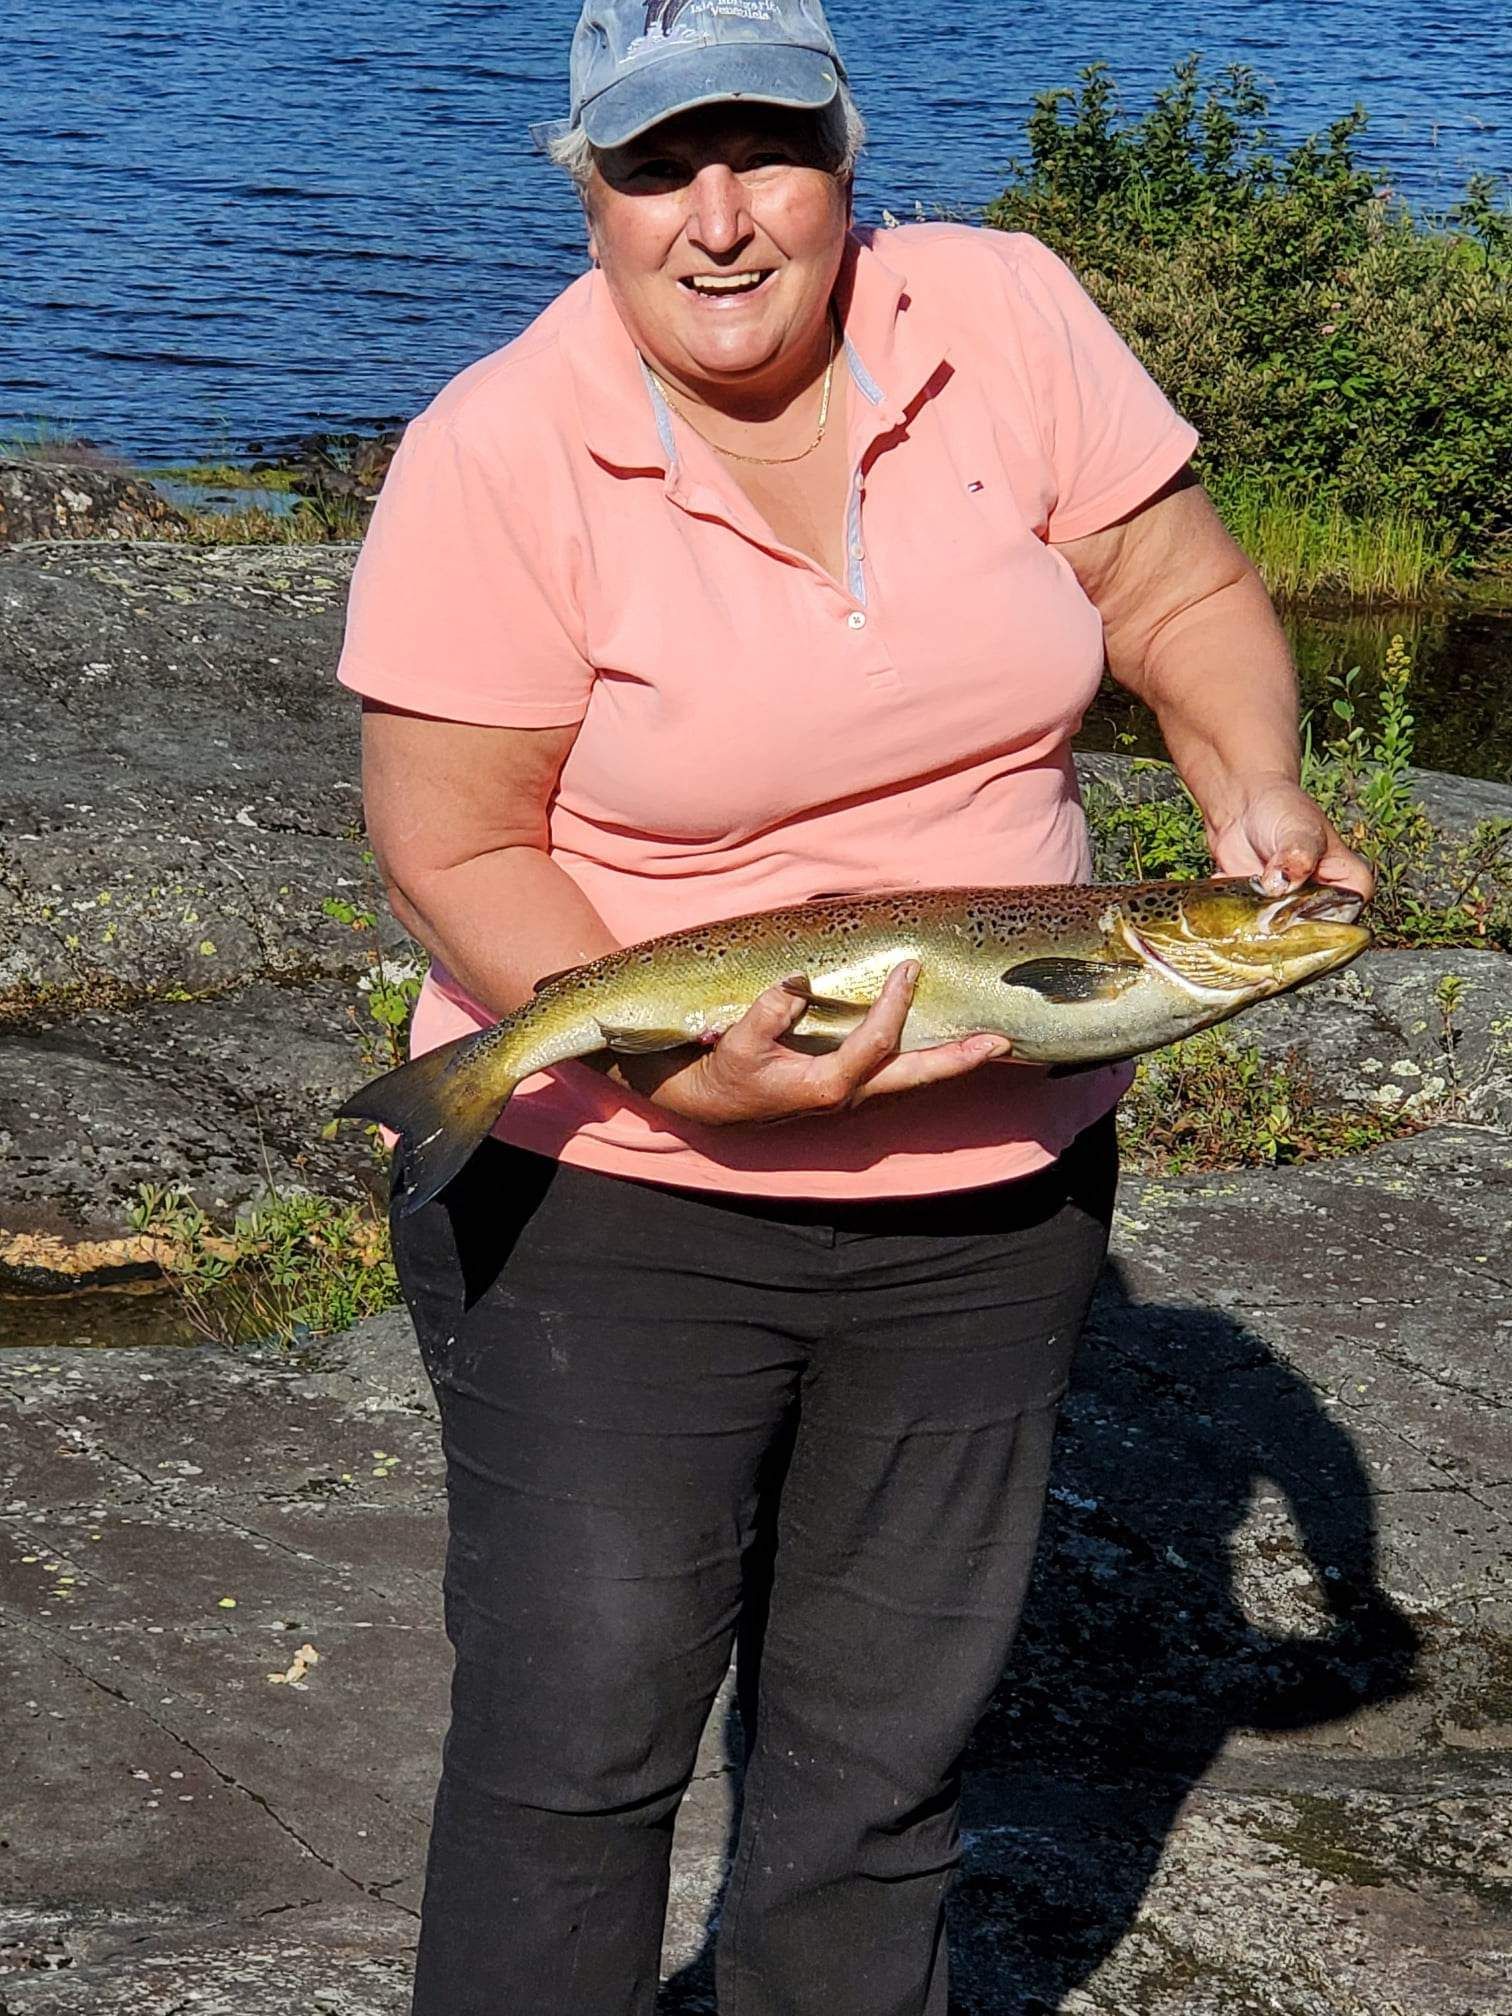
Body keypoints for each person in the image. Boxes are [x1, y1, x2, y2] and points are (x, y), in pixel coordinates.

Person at [335, 3, 1373, 2010]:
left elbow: (1170, 588)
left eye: (769, 150)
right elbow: (459, 845)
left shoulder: (1003, 312)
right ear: (587, 186)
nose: (720, 219)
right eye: (656, 165)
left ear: (847, 153)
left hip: (986, 1224)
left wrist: (1249, 786)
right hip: (613, 1206)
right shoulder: (498, 447)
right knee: (576, 1761)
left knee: (882, 1774)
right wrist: (674, 1067)